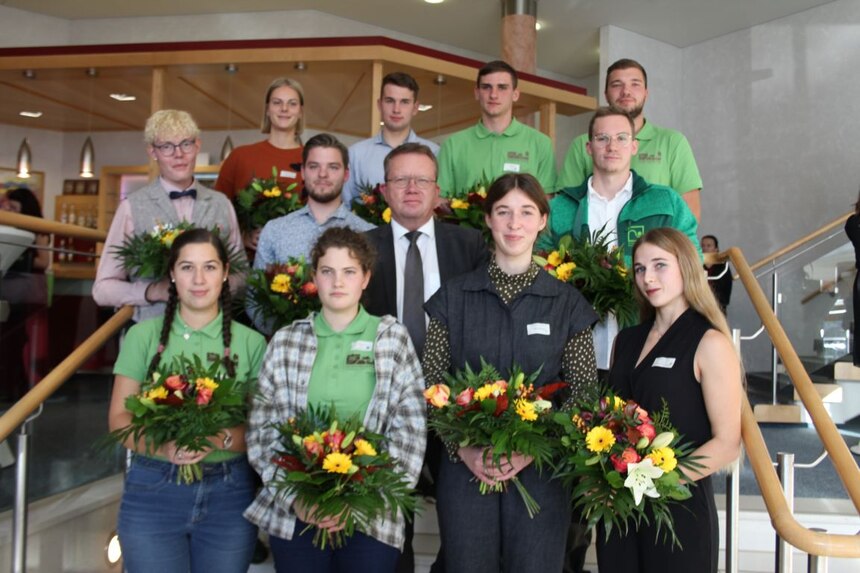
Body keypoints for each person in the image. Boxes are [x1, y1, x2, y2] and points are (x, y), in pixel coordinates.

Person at [422, 173, 598, 573]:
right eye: (503, 212)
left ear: (542, 220)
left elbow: (583, 394)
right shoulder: (453, 297)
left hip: (542, 473)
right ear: (487, 219)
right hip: (466, 470)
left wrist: (531, 447)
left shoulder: (568, 304)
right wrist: (462, 449)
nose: (514, 224)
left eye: (525, 212)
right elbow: (431, 383)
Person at [245, 226, 427, 573]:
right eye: (327, 272)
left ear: (366, 278)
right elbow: (261, 431)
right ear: (314, 277)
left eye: (349, 272)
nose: (337, 282)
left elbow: (411, 432)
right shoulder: (286, 341)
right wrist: (297, 497)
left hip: (372, 512)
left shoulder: (392, 339)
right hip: (297, 511)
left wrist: (359, 501)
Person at [108, 228, 267, 573]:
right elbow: (120, 419)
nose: (198, 279)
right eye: (186, 267)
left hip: (229, 493)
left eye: (209, 267)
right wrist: (163, 446)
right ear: (171, 274)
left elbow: (260, 431)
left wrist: (217, 438)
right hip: (153, 489)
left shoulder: (252, 343)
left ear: (226, 273)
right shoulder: (141, 336)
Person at [363, 142, 488, 573]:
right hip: (384, 404)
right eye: (401, 179)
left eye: (422, 180)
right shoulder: (362, 249)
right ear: (384, 190)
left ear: (438, 191)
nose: (412, 188)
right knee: (392, 527)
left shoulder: (470, 245)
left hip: (455, 403)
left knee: (464, 523)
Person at [598, 227, 742, 573]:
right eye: (640, 268)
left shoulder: (709, 342)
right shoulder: (626, 340)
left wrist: (656, 479)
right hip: (621, 508)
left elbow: (727, 444)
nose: (648, 277)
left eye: (660, 265)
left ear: (686, 268)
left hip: (680, 510)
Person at [540, 106, 700, 370]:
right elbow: (541, 261)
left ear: (634, 146)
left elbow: (691, 256)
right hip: (575, 335)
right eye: (602, 138)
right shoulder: (562, 206)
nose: (612, 146)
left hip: (649, 328)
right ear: (589, 148)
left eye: (621, 138)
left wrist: (625, 269)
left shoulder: (666, 201)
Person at [93, 109, 246, 323]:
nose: (178, 154)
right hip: (152, 335)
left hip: (214, 333)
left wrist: (214, 286)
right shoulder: (131, 207)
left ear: (197, 146)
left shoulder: (222, 204)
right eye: (166, 147)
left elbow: (242, 276)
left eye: (186, 144)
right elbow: (102, 289)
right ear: (152, 152)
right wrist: (152, 291)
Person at [250, 133, 375, 334]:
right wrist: (288, 339)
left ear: (346, 174)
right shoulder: (275, 230)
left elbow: (375, 300)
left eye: (333, 167)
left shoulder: (368, 233)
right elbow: (254, 299)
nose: (322, 174)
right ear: (303, 171)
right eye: (314, 166)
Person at [558, 58, 703, 221]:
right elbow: (565, 209)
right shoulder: (582, 144)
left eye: (635, 84)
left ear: (646, 93)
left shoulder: (673, 142)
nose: (626, 91)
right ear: (606, 94)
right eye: (616, 84)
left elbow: (690, 215)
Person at [437, 60, 556, 196]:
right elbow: (440, 200)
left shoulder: (541, 143)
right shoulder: (453, 145)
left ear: (515, 94)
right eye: (486, 87)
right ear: (477, 93)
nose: (493, 95)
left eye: (502, 87)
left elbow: (546, 200)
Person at [215, 77, 306, 251]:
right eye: (277, 102)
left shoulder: (312, 160)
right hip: (246, 262)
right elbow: (217, 211)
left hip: (297, 262)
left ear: (301, 111)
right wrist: (241, 236)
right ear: (267, 109)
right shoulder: (240, 156)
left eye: (292, 103)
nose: (284, 109)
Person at [342, 72, 440, 204]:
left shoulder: (435, 153)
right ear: (379, 105)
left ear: (415, 108)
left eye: (404, 102)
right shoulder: (355, 154)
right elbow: (346, 208)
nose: (396, 109)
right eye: (390, 101)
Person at [701, 234, 732, 314]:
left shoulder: (723, 266)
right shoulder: (697, 265)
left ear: (716, 249)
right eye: (702, 245)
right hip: (699, 306)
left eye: (709, 246)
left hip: (717, 307)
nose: (705, 248)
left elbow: (726, 289)